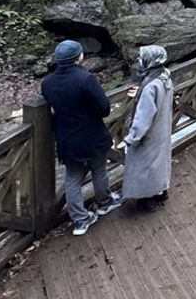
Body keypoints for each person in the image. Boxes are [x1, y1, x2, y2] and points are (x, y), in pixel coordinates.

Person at [40, 40, 122, 236]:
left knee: (72, 178)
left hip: (67, 137)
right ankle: (104, 202)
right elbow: (103, 108)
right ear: (79, 57)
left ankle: (79, 219)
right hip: (92, 134)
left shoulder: (47, 83)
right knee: (99, 170)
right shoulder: (86, 78)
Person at [122, 45, 173, 212]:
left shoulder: (151, 86)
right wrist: (141, 92)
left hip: (150, 134)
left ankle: (146, 199)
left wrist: (132, 137)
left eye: (141, 57)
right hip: (162, 129)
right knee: (159, 162)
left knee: (145, 165)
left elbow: (143, 118)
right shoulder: (164, 76)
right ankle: (160, 191)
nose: (139, 60)